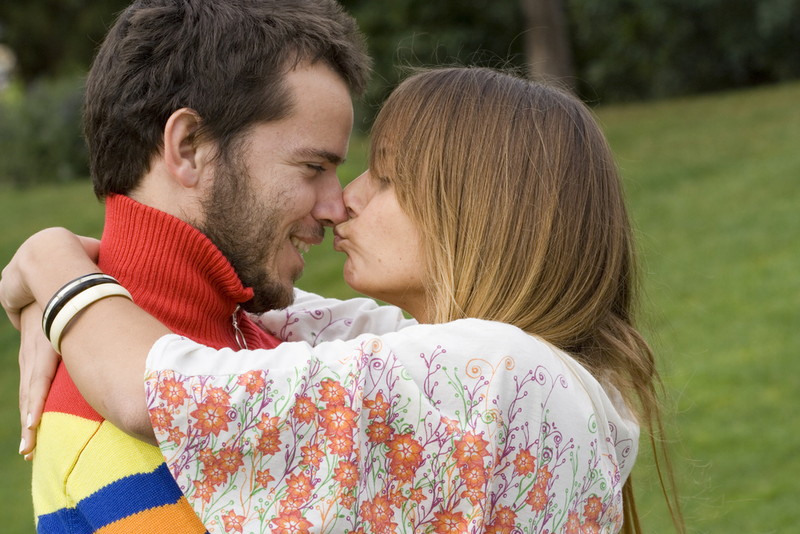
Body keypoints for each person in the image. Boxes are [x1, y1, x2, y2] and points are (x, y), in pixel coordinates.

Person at [2, 68, 684, 533]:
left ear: (478, 213)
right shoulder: (530, 373)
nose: (345, 201)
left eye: (386, 179)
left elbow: (151, 389)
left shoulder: (493, 373)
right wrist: (60, 268)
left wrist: (47, 261)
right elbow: (226, 301)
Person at [11, 0, 370, 532]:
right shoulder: (104, 439)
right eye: (314, 167)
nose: (336, 206)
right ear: (189, 146)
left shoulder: (268, 345)